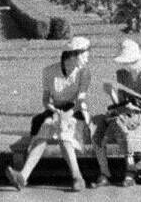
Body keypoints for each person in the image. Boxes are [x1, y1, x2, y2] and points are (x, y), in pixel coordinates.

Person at [6, 36, 93, 192]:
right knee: (44, 131)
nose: (87, 59)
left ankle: (78, 177)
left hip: (75, 111)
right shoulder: (49, 71)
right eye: (85, 56)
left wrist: (66, 115)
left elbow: (80, 101)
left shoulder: (84, 73)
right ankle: (22, 177)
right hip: (54, 111)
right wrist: (54, 111)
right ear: (74, 55)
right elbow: (46, 100)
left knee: (64, 130)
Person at [93, 38, 141, 186]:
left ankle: (131, 169)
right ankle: (115, 170)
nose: (127, 66)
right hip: (127, 114)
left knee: (124, 126)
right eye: (125, 63)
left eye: (130, 62)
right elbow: (120, 104)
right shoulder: (122, 74)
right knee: (105, 125)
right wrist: (111, 93)